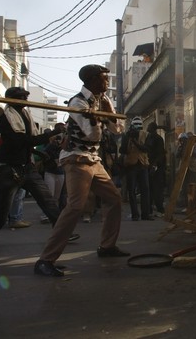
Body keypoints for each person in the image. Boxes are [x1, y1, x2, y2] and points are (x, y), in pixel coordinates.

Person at [34, 64, 127, 277]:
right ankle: (45, 260)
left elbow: (118, 130)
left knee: (113, 199)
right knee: (75, 207)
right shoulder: (78, 102)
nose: (106, 82)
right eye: (104, 79)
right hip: (76, 160)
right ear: (92, 80)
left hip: (94, 161)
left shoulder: (103, 100)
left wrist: (108, 111)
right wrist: (98, 115)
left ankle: (107, 246)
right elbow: (93, 135)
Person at [0, 87, 78, 248]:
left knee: (48, 201)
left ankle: (62, 233)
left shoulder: (24, 115)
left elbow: (26, 143)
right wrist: (52, 133)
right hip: (11, 169)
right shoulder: (6, 118)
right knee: (3, 209)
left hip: (27, 166)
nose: (25, 99)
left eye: (25, 96)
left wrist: (38, 153)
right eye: (22, 97)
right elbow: (21, 141)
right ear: (12, 99)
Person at [119, 116, 152, 220]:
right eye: (135, 126)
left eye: (139, 126)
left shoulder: (146, 135)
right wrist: (128, 139)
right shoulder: (126, 136)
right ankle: (135, 214)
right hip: (131, 166)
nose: (137, 128)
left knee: (145, 190)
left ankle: (145, 214)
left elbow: (146, 149)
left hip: (142, 165)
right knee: (131, 191)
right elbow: (122, 150)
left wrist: (135, 142)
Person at [145, 122, 166, 216]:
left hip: (157, 167)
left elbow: (160, 154)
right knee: (149, 189)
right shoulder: (149, 137)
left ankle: (160, 209)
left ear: (152, 128)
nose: (147, 127)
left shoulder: (158, 139)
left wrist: (155, 166)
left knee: (157, 189)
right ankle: (149, 209)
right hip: (149, 166)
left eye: (149, 126)